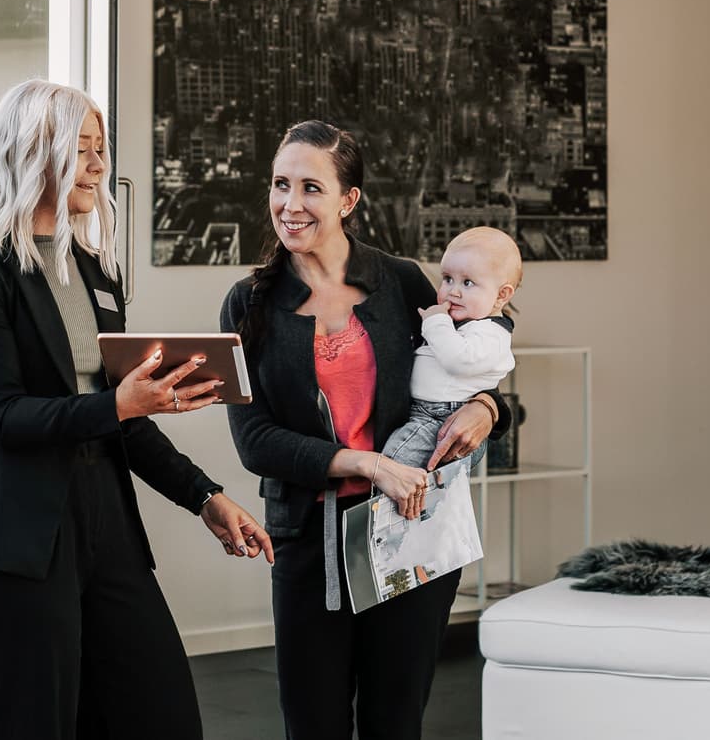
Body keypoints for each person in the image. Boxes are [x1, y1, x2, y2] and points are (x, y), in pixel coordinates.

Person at [0, 79, 272, 740]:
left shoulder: (94, 271)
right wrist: (116, 402)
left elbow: (123, 421)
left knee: (162, 715)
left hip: (106, 527)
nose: (97, 164)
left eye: (99, 148)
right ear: (33, 151)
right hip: (16, 542)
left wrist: (205, 496)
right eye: (80, 148)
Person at [219, 120, 512, 740]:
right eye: (279, 185)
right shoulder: (246, 303)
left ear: (348, 200)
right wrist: (368, 463)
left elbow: (473, 371)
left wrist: (488, 409)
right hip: (306, 545)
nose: (290, 205)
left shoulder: (402, 282)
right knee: (314, 724)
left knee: (394, 723)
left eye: (310, 188)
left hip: (411, 537)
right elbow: (254, 441)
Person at [381, 226, 521, 476]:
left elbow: (458, 360)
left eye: (467, 283)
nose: (453, 291)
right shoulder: (459, 323)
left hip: (442, 418)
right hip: (424, 412)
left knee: (393, 464)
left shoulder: (491, 333)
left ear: (501, 295)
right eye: (447, 279)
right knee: (395, 468)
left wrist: (435, 321)